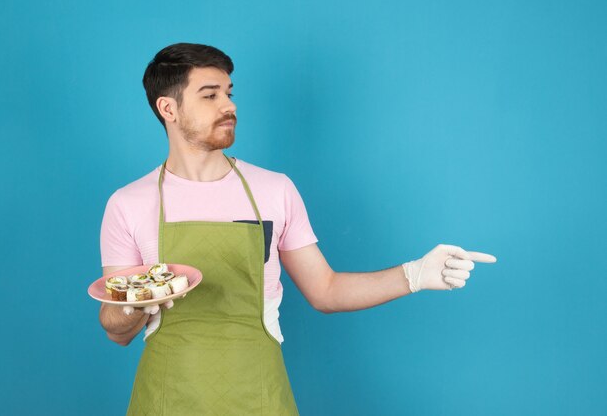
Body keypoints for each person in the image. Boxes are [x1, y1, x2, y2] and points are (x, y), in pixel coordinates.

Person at [98, 43, 497, 415]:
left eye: (229, 93)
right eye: (210, 95)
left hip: (259, 392)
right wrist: (135, 306)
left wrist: (414, 275)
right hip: (168, 396)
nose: (229, 105)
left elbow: (325, 291)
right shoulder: (130, 203)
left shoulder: (274, 190)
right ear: (168, 108)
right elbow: (117, 331)